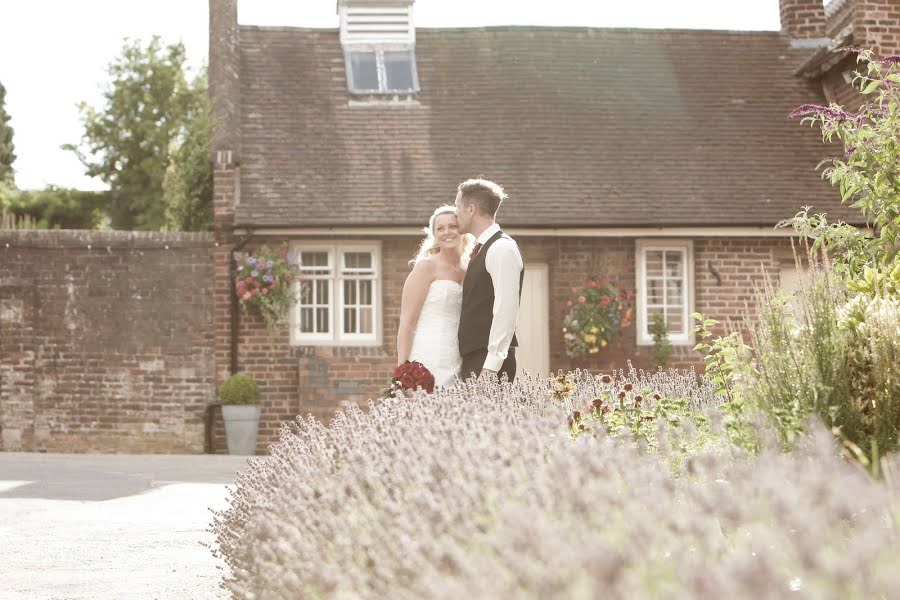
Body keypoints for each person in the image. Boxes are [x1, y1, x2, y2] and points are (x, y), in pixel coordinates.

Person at [454, 178, 524, 382]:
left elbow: (506, 310)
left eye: (458, 206)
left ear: (471, 209)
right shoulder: (482, 248)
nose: (455, 212)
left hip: (488, 364)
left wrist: (490, 368)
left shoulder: (502, 249)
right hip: (475, 358)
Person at [396, 205, 471, 388]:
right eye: (440, 228)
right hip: (428, 352)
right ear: (435, 235)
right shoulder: (426, 267)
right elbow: (407, 322)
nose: (447, 232)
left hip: (460, 355)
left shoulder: (470, 267)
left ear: (462, 229)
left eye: (452, 226)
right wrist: (402, 370)